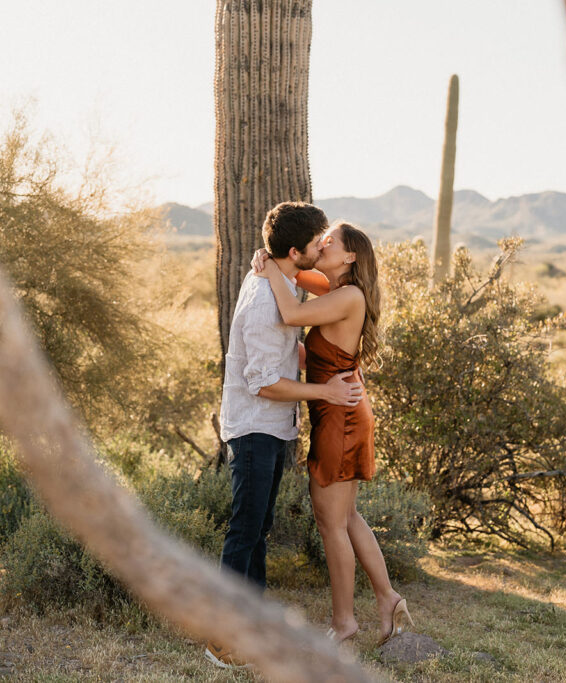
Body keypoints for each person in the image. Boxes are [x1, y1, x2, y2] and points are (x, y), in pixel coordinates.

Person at [205, 202, 364, 670]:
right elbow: (261, 383)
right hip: (255, 425)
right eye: (318, 244)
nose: (323, 248)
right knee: (244, 530)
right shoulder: (261, 300)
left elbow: (288, 335)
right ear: (296, 251)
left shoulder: (285, 281)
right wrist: (325, 391)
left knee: (259, 531)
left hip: (274, 427)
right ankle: (221, 638)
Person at [252, 221, 413, 646]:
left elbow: (290, 313)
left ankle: (344, 624)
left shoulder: (348, 296)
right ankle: (388, 600)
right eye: (321, 240)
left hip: (341, 417)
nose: (323, 245)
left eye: (331, 242)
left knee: (331, 522)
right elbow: (295, 272)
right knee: (346, 517)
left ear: (350, 257)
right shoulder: (336, 291)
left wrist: (269, 271)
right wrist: (270, 261)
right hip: (340, 411)